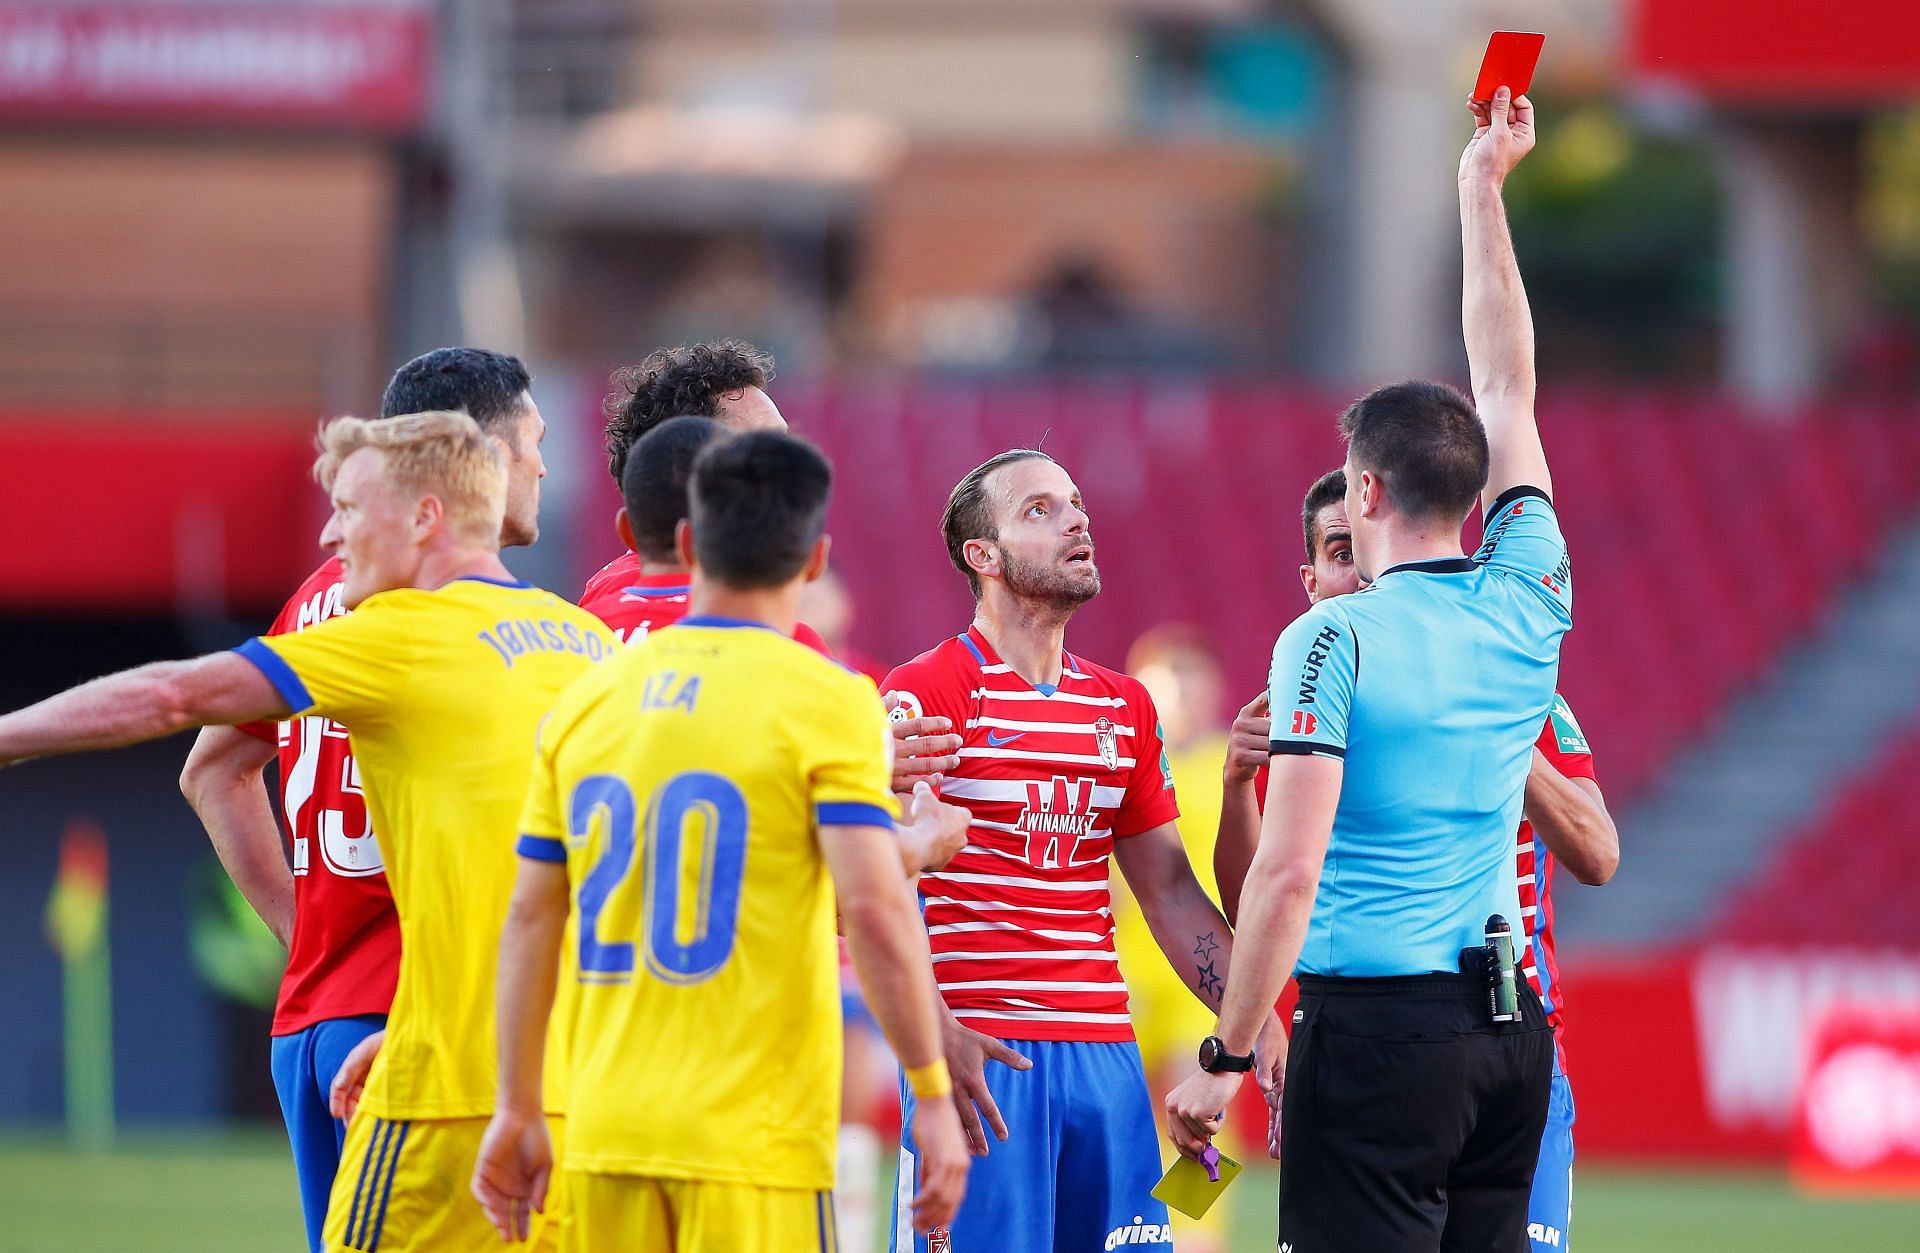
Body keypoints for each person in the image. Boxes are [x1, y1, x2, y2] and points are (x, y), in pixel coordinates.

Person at [0, 411, 613, 1251]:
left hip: (443, 1096)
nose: (332, 531)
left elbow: (176, 698)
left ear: (426, 518)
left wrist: (8, 736)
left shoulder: (398, 634)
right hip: (579, 1097)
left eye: (353, 510)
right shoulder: (588, 641)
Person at [1165, 88, 1566, 1251]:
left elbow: (1286, 876)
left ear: (1368, 494)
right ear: (1475, 491)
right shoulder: (1531, 586)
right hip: (1508, 1030)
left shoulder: (1329, 636)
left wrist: (1228, 1056)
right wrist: (1480, 187)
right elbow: (1506, 387)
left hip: (1381, 1033)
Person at [472, 431, 970, 1250]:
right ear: (814, 561)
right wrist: (931, 1094)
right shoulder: (828, 699)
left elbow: (529, 918)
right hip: (754, 1138)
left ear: (690, 544)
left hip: (603, 1129)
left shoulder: (587, 699)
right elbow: (873, 908)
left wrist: (518, 1106)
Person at [176, 348, 550, 1253]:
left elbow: (212, 770)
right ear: (480, 458)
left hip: (314, 1016)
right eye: (532, 442)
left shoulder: (323, 600)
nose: (544, 463)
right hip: (408, 1026)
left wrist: (305, 936)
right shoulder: (463, 618)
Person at [1214, 467, 1619, 1250]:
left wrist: (1483, 711)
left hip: (1510, 1041)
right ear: (1311, 580)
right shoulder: (1305, 702)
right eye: (1340, 555)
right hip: (1362, 1035)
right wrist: (1236, 787)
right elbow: (1255, 898)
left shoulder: (1520, 686)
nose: (1362, 573)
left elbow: (1598, 852)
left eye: (1365, 550)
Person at [885, 449, 1274, 1253]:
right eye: (1040, 509)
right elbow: (872, 885)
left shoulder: (1124, 708)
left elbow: (1168, 888)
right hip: (985, 1060)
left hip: (1108, 1057)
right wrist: (930, 1026)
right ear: (982, 557)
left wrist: (1256, 1024)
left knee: (1178, 1204)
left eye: (1075, 503)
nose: (1076, 519)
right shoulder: (928, 691)